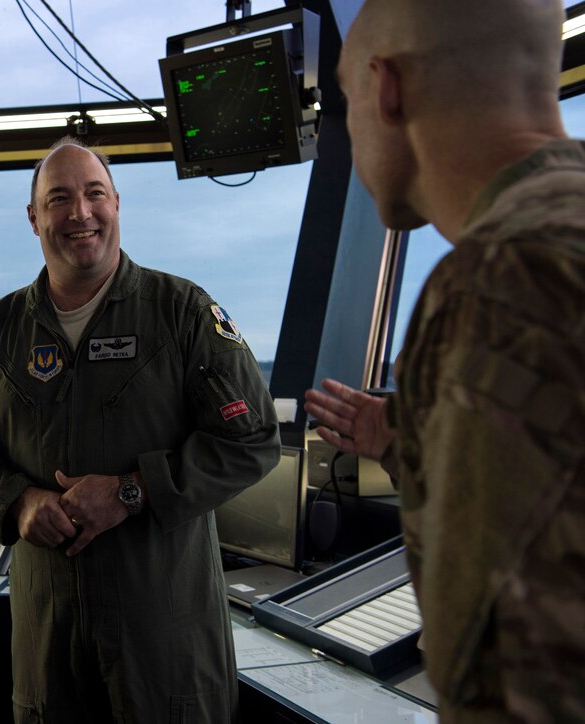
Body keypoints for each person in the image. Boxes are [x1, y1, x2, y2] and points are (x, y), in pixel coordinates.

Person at [0, 136, 280, 723]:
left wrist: (130, 491)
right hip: (48, 643)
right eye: (59, 198)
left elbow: (250, 440)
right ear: (34, 217)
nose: (81, 213)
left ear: (116, 203)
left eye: (95, 194)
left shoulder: (183, 314)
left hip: (164, 641)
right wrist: (17, 503)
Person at [303, 1, 585, 721]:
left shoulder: (497, 288)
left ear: (386, 88)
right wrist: (419, 436)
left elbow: (518, 682)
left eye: (345, 100)